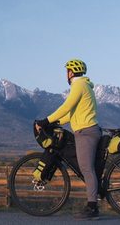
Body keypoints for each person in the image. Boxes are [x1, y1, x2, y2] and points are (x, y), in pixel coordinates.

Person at [35, 59, 102, 220]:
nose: (66, 74)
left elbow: (66, 107)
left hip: (86, 133)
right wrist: (56, 122)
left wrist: (46, 121)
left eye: (67, 71)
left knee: (86, 168)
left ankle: (92, 207)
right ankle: (95, 197)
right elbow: (70, 114)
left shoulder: (78, 85)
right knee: (87, 167)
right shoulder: (85, 86)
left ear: (71, 72)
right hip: (86, 131)